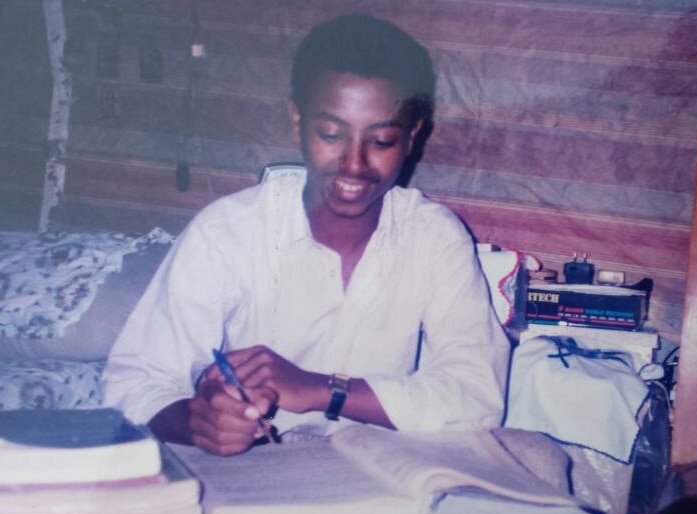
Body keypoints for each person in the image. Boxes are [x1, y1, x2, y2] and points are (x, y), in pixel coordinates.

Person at [101, 13, 509, 456]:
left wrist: (320, 389)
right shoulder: (228, 232)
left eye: (383, 141)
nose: (354, 164)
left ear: (412, 137)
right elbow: (134, 384)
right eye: (331, 134)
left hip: (378, 473)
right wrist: (197, 421)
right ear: (297, 121)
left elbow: (477, 396)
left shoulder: (435, 238)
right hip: (251, 475)